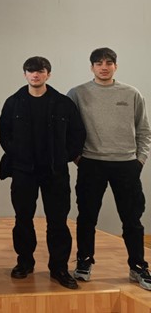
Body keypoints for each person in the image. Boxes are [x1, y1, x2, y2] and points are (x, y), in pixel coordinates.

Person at [68, 47, 151, 290]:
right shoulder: (77, 93)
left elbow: (144, 130)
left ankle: (138, 266)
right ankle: (84, 261)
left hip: (126, 165)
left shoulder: (131, 93)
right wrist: (77, 157)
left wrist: (140, 160)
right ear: (92, 67)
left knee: (132, 219)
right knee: (86, 217)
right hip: (91, 163)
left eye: (108, 62)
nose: (104, 67)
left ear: (116, 66)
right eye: (98, 63)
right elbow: (68, 129)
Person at [0, 56, 85, 290]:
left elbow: (77, 134)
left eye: (40, 71)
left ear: (48, 74)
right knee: (23, 219)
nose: (35, 75)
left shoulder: (63, 103)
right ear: (25, 74)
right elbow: (4, 133)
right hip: (24, 171)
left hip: (55, 172)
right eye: (31, 71)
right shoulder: (13, 102)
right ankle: (24, 262)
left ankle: (59, 268)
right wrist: (18, 154)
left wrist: (64, 156)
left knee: (58, 221)